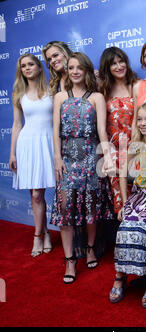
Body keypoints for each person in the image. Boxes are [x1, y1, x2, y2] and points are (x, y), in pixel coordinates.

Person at [50, 52, 114, 284]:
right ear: (66, 70)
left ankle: (89, 248)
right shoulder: (59, 97)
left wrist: (107, 157)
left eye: (80, 68)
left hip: (89, 156)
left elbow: (102, 131)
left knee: (90, 209)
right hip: (67, 158)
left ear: (87, 70)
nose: (75, 71)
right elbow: (56, 131)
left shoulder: (96, 97)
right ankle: (69, 260)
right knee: (66, 209)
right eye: (71, 67)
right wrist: (57, 158)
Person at [109, 101, 146, 308]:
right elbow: (122, 173)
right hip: (138, 196)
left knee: (142, 227)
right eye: (139, 119)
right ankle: (120, 275)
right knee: (125, 225)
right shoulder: (136, 143)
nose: (142, 123)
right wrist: (124, 203)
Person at [9, 53, 55, 257]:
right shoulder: (19, 94)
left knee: (39, 193)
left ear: (39, 67)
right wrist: (12, 153)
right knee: (34, 195)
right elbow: (17, 125)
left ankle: (38, 235)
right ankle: (43, 233)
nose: (27, 68)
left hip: (46, 143)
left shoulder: (52, 90)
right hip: (26, 145)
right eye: (23, 66)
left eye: (31, 64)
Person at [98, 47, 138, 217]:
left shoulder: (136, 85)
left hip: (135, 145)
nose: (119, 66)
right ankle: (123, 237)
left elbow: (139, 118)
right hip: (112, 149)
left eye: (121, 61)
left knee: (139, 190)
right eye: (113, 64)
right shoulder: (103, 90)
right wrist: (107, 154)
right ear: (107, 67)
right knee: (118, 196)